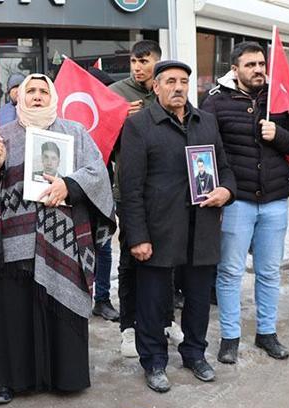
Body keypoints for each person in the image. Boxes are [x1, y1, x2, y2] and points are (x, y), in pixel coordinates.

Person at [0, 74, 115, 405]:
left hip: (64, 238)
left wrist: (69, 185)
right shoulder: (1, 136)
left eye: (44, 90)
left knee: (60, 304)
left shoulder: (75, 132)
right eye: (31, 91)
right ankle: (8, 380)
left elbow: (98, 172)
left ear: (53, 95)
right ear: (19, 97)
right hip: (16, 240)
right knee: (13, 311)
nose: (38, 96)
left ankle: (64, 377)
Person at [120, 60, 236, 393]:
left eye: (184, 81)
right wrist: (138, 236)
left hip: (202, 228)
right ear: (155, 87)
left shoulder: (206, 122)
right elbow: (131, 187)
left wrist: (225, 191)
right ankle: (154, 361)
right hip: (159, 231)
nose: (178, 87)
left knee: (199, 299)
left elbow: (225, 170)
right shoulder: (140, 126)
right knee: (154, 302)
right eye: (170, 81)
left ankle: (195, 353)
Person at [200, 41, 289, 364]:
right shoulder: (215, 102)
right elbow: (206, 149)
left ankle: (267, 333)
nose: (258, 70)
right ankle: (230, 337)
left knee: (269, 271)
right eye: (250, 65)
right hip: (236, 202)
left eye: (261, 64)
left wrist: (279, 135)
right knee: (229, 272)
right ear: (235, 69)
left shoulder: (279, 98)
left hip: (274, 200)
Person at [109, 39, 183, 358]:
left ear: (158, 62)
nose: (138, 67)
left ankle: (166, 320)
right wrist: (120, 119)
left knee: (165, 259)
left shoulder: (167, 90)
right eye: (133, 62)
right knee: (130, 259)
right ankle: (129, 326)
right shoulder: (115, 94)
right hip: (129, 192)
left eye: (145, 61)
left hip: (167, 192)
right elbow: (99, 141)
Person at [86, 65, 120, 323]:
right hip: (72, 189)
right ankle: (78, 298)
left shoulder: (107, 116)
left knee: (104, 246)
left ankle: (103, 299)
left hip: (102, 187)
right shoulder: (68, 110)